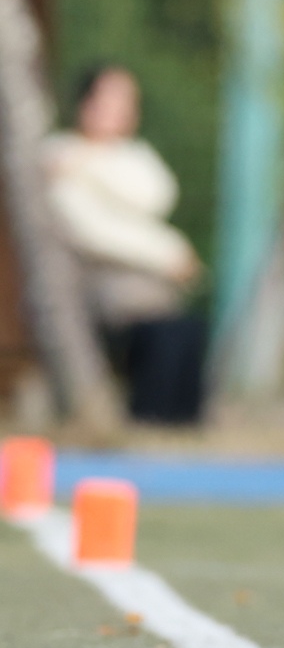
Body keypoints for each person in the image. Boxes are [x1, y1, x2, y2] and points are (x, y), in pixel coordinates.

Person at [42, 65, 208, 423]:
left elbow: (155, 197)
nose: (123, 109)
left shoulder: (129, 157)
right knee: (158, 327)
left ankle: (181, 421)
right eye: (112, 98)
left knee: (187, 327)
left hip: (148, 281)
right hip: (102, 282)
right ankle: (150, 417)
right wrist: (167, 256)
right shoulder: (59, 155)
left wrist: (92, 164)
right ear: (86, 104)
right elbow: (93, 231)